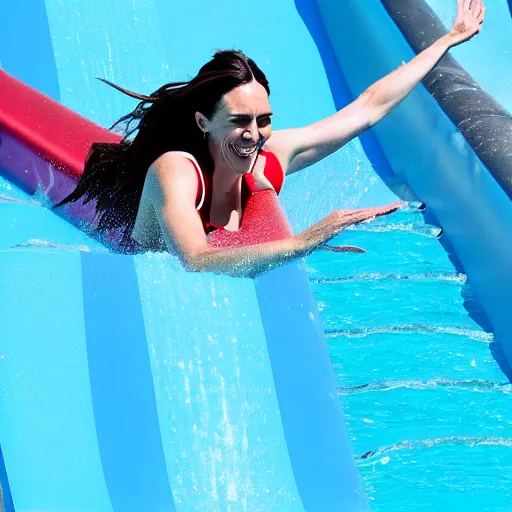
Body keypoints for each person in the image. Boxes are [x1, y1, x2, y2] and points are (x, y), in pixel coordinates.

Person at [56, 0, 484, 277]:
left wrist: (447, 39)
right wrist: (302, 241)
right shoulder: (177, 171)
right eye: (240, 121)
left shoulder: (270, 156)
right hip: (132, 276)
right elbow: (196, 262)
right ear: (204, 122)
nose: (256, 135)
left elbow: (368, 107)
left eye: (264, 120)